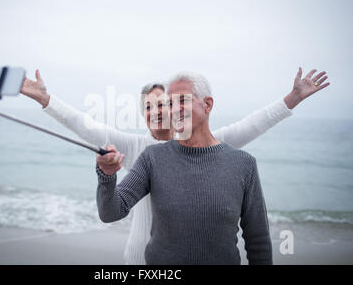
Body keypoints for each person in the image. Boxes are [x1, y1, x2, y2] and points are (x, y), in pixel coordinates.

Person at [20, 67, 330, 264]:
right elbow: (83, 125)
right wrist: (47, 101)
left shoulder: (224, 152)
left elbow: (254, 124)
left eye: (164, 104)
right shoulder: (141, 150)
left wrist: (292, 98)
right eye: (149, 108)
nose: (158, 112)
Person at [96, 72, 273, 264]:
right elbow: (111, 212)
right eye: (170, 103)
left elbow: (258, 241)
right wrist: (107, 176)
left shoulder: (243, 164)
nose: (174, 109)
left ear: (207, 104)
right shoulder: (152, 158)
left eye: (183, 100)